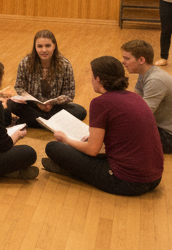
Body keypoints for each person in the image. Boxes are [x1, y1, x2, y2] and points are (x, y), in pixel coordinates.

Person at [42, 56, 163, 196]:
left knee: (53, 147)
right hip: (154, 178)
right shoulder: (134, 97)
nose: (91, 79)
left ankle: (72, 171)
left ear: (98, 79)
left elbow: (92, 150)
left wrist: (65, 139)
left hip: (128, 182)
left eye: (92, 75)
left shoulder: (100, 103)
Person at [7, 30, 88, 128]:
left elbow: (69, 94)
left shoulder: (65, 64)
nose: (44, 50)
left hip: (55, 107)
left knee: (80, 111)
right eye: (40, 46)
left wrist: (54, 102)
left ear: (54, 46)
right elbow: (19, 87)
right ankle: (51, 123)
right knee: (11, 104)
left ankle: (33, 121)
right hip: (33, 106)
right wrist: (34, 102)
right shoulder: (25, 63)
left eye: (48, 46)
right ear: (35, 47)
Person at [121, 39, 172, 153]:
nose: (123, 62)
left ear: (141, 60)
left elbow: (143, 114)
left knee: (118, 136)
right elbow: (136, 102)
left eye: (127, 58)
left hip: (170, 138)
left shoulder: (155, 80)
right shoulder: (144, 74)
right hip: (160, 128)